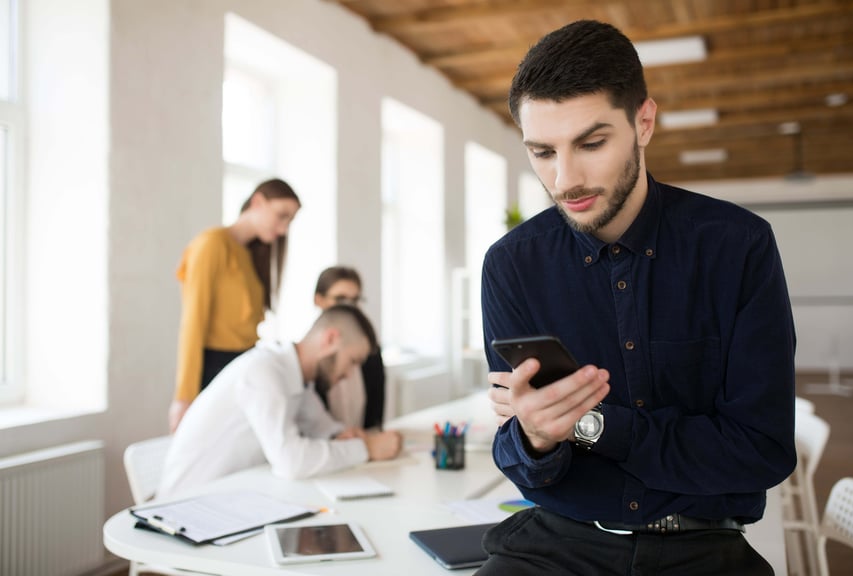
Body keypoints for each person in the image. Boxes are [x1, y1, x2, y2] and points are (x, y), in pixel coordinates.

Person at [479, 20, 796, 576]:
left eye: (592, 143)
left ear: (643, 123)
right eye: (542, 152)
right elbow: (520, 458)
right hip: (556, 544)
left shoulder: (737, 247)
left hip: (703, 549)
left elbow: (761, 452)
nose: (565, 179)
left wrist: (592, 425)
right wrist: (533, 436)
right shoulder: (511, 265)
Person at [158, 304, 403, 499]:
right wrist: (367, 449)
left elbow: (322, 427)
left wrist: (345, 435)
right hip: (189, 509)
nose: (350, 375)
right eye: (352, 361)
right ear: (330, 339)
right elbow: (291, 462)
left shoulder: (298, 379)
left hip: (231, 499)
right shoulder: (264, 371)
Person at [169, 178, 301, 433]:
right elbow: (193, 323)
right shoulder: (212, 244)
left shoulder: (252, 254)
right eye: (281, 216)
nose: (284, 229)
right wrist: (183, 397)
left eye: (290, 221)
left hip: (245, 365)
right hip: (213, 368)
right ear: (257, 202)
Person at [312, 266, 386, 430]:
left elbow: (375, 418)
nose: (349, 307)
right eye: (340, 299)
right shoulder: (310, 358)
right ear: (319, 300)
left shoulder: (371, 352)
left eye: (355, 300)